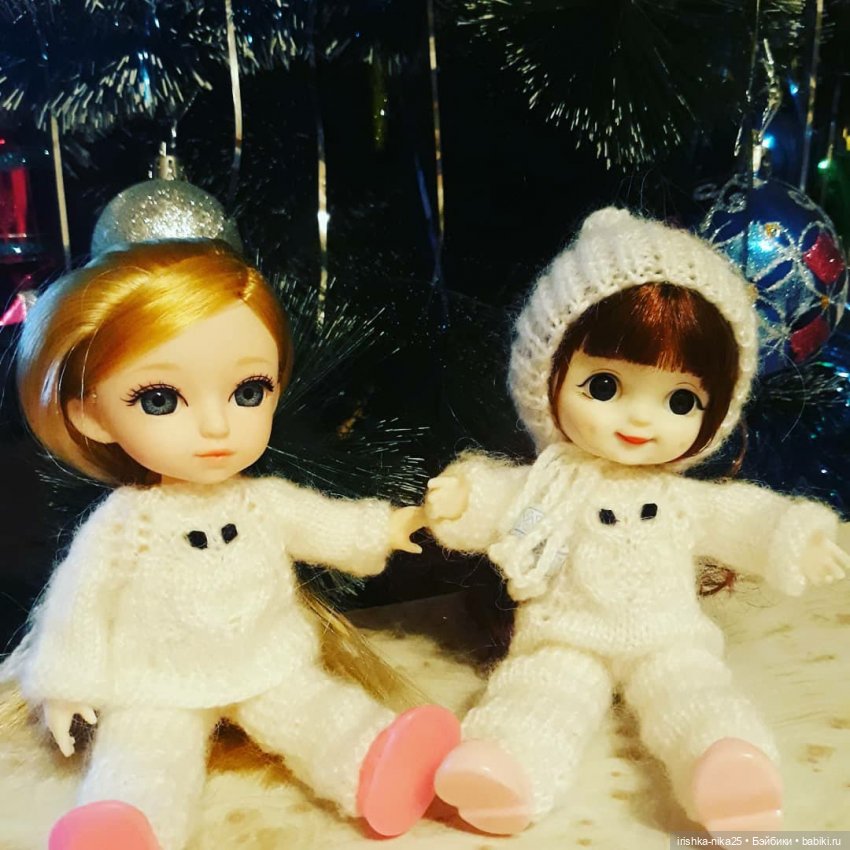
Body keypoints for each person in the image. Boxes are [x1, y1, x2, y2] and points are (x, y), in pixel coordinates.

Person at [10, 239, 460, 850]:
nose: (216, 426)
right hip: (158, 681)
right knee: (144, 751)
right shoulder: (124, 524)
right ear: (92, 416)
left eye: (248, 391)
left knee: (317, 709)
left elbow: (320, 524)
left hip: (264, 660)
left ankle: (377, 762)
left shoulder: (259, 501)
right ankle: (128, 826)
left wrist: (384, 527)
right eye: (160, 399)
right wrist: (66, 683)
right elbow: (78, 604)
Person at [424, 208, 849, 836]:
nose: (641, 420)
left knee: (695, 693)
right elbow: (500, 501)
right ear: (545, 378)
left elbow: (745, 517)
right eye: (604, 386)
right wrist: (461, 498)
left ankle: (729, 772)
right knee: (538, 692)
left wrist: (796, 535)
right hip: (566, 634)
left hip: (667, 635)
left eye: (681, 400)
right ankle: (507, 769)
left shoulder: (681, 498)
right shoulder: (552, 483)